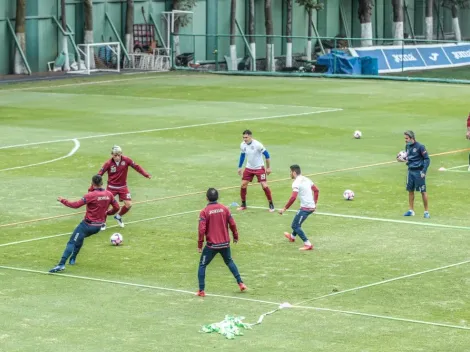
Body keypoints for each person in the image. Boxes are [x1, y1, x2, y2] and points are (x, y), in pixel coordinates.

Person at [49, 175, 120, 273]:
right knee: (80, 237)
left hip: (87, 225)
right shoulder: (109, 194)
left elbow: (75, 205)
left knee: (72, 242)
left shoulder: (90, 195)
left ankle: (61, 264)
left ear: (92, 183)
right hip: (98, 226)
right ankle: (73, 259)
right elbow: (117, 207)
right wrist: (108, 213)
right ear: (102, 183)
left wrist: (62, 200)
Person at [197, 188, 247, 297]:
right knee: (229, 261)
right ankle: (240, 283)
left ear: (206, 198)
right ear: (218, 197)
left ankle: (201, 290)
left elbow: (201, 230)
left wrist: (200, 245)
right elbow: (232, 224)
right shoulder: (224, 209)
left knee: (202, 265)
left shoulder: (204, 212)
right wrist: (235, 236)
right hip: (225, 244)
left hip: (212, 245)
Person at [94, 145, 151, 230]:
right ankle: (103, 222)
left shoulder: (127, 160)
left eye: (118, 155)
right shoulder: (108, 163)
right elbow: (99, 174)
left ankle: (118, 216)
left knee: (129, 204)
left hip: (123, 187)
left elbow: (137, 167)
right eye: (114, 155)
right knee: (105, 205)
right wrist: (94, 186)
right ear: (112, 154)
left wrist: (146, 174)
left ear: (121, 154)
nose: (116, 157)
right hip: (111, 187)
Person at [279, 165, 319, 251]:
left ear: (294, 172)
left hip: (306, 208)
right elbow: (316, 190)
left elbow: (293, 197)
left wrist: (284, 208)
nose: (290, 173)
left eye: (290, 172)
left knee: (295, 225)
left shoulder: (296, 183)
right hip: (308, 206)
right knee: (297, 222)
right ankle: (292, 237)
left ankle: (308, 244)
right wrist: (314, 204)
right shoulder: (307, 179)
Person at [237, 130, 274, 212]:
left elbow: (267, 156)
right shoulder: (243, 145)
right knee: (243, 185)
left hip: (259, 168)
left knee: (264, 185)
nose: (244, 139)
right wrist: (239, 167)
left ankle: (271, 204)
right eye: (243, 137)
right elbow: (242, 156)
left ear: (250, 137)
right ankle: (243, 204)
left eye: (246, 137)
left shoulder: (258, 145)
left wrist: (268, 168)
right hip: (249, 168)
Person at [403, 130, 431, 218]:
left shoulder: (420, 147)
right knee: (410, 191)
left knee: (423, 191)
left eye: (407, 138)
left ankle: (426, 212)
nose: (405, 140)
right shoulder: (407, 146)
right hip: (410, 171)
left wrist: (424, 171)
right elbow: (408, 158)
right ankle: (411, 210)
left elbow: (427, 159)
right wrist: (402, 160)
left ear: (412, 138)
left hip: (419, 172)